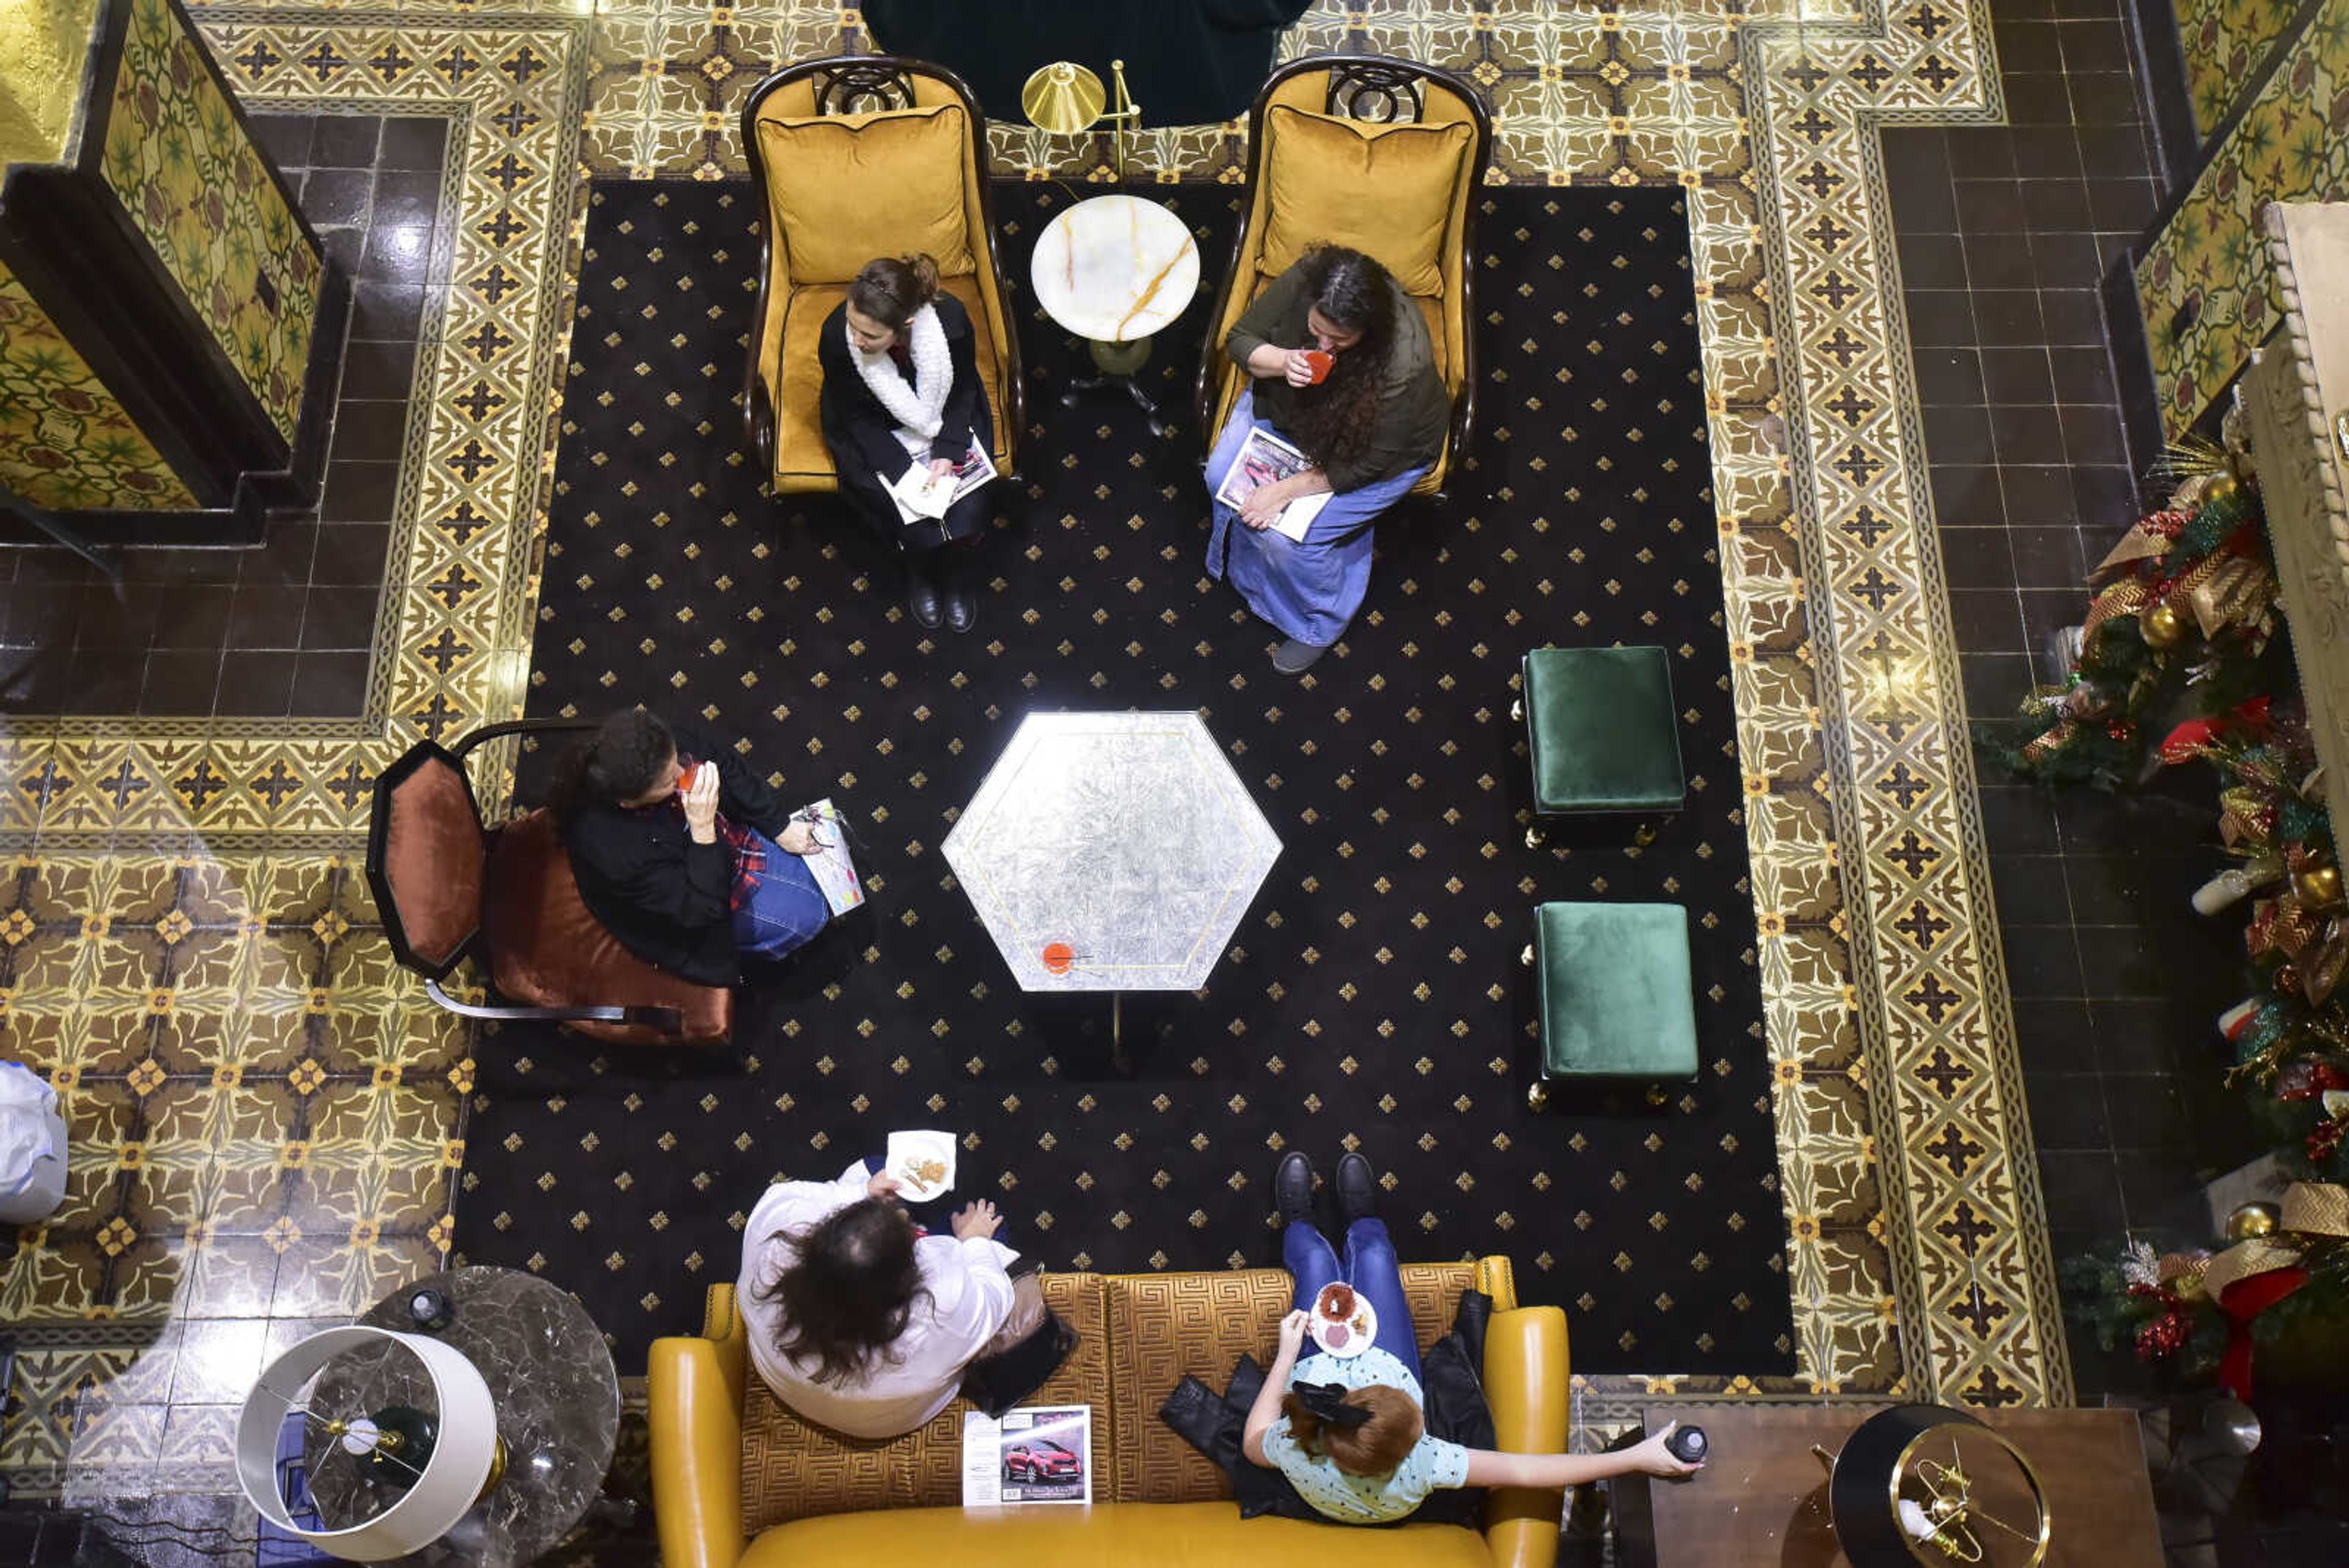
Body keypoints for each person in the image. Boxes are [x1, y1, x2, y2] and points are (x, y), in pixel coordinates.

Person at [1242, 1150, 1701, 1523]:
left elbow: (1252, 1441)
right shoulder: (1425, 1463)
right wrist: (1638, 1457)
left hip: (1317, 1372)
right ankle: (1362, 1222)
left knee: (1317, 1262)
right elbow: (1529, 1470)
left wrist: (1286, 1356)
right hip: (1382, 1358)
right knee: (1377, 1254)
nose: (1426, 1426)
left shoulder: (1299, 1445)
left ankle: (1299, 1223)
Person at [1206, 245, 1450, 674]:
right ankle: (1261, 569)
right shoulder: (1310, 279)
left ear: (1367, 331)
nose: (1323, 346)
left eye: (1338, 341)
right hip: (1290, 410)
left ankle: (1318, 624)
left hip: (1374, 451)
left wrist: (1283, 490)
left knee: (1289, 543)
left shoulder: (1403, 366)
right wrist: (1283, 361)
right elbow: (1241, 339)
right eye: (1316, 330)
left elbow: (1367, 465)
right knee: (1219, 478)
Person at [738, 1157, 1044, 1438]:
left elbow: (797, 1196)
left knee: (883, 1167)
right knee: (992, 1228)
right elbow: (994, 1297)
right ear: (905, 1283)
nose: (899, 1213)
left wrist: (863, 1192)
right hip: (887, 1422)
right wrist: (974, 1240)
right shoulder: (940, 1312)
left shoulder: (774, 1239)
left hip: (789, 1386)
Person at [552, 708, 828, 984]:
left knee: (817, 872)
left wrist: (778, 826)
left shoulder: (656, 744)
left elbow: (725, 763)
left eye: (677, 761)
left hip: (717, 842)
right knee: (812, 914)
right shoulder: (617, 854)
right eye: (669, 781)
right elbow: (701, 910)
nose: (684, 772)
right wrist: (703, 830)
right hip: (691, 904)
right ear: (629, 801)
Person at [816, 253, 996, 634]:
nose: (857, 340)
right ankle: (920, 567)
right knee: (893, 502)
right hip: (871, 420)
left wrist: (948, 449)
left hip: (944, 408)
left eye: (871, 335)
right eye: (854, 326)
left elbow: (963, 387)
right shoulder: (837, 336)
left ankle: (958, 568)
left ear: (906, 326)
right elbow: (853, 414)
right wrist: (901, 470)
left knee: (969, 497)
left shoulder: (952, 322)